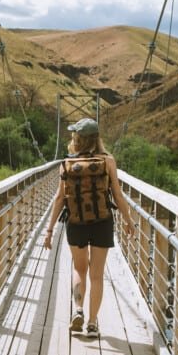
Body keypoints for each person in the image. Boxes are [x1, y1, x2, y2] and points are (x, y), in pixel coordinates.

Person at [44, 117, 133, 335]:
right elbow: (118, 195)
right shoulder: (108, 161)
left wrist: (49, 230)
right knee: (96, 274)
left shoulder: (67, 163)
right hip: (103, 222)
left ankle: (78, 309)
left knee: (78, 269)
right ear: (97, 138)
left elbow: (59, 199)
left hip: (76, 222)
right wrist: (129, 221)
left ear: (77, 138)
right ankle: (93, 323)